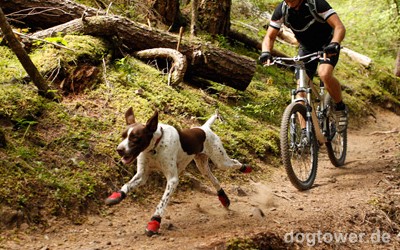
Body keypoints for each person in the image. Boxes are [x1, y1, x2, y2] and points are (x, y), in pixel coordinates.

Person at [259, 0, 348, 132]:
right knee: (301, 91)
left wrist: (334, 43)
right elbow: (270, 36)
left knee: (324, 73)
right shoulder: (282, 10)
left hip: (327, 45)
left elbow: (339, 27)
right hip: (306, 48)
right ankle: (306, 133)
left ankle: (340, 107)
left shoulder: (316, 3)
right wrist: (266, 52)